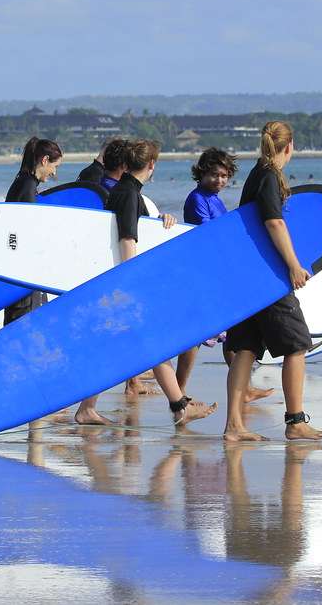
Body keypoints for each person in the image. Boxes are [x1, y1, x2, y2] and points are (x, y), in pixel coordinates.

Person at [74, 139, 217, 427]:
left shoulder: (126, 191)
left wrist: (160, 221)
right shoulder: (128, 194)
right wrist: (132, 283)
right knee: (152, 344)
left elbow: (133, 228)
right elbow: (127, 238)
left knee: (120, 347)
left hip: (114, 283)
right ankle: (179, 406)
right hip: (124, 283)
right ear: (151, 165)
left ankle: (88, 408)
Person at [223, 121, 322, 442]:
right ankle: (295, 421)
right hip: (269, 277)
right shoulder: (270, 177)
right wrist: (293, 266)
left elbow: (279, 228)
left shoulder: (258, 174)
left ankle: (234, 426)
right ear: (289, 147)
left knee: (246, 348)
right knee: (297, 345)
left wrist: (317, 260)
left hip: (249, 275)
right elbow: (274, 224)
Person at [174, 148, 275, 400]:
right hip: (205, 275)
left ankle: (244, 389)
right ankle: (178, 391)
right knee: (196, 335)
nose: (220, 180)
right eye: (215, 175)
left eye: (224, 176)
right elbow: (210, 235)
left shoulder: (215, 199)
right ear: (201, 173)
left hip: (219, 274)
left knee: (232, 333)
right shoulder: (197, 199)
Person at [3, 137, 63, 324]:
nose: (54, 172)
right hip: (24, 274)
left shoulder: (23, 182)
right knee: (26, 325)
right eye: (55, 166)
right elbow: (28, 231)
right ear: (44, 160)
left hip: (17, 271)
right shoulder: (27, 186)